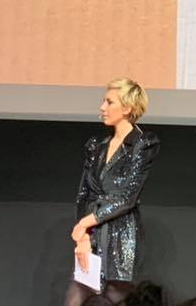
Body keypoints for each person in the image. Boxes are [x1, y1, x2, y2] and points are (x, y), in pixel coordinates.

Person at [64, 77, 160, 306]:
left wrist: (85, 223)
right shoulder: (97, 147)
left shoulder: (142, 144)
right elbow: (84, 194)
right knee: (75, 296)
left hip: (121, 235)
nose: (102, 107)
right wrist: (83, 236)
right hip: (92, 233)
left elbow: (127, 198)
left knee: (118, 297)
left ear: (127, 108)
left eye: (109, 102)